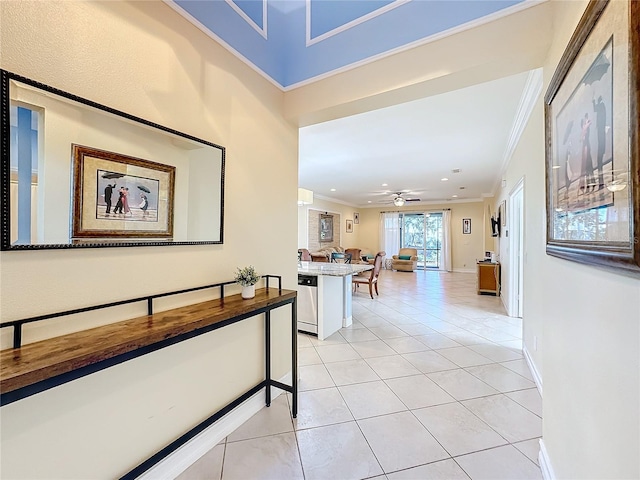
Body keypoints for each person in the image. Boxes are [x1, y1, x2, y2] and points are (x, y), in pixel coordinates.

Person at [592, 95, 607, 191]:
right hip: (600, 135)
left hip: (601, 135)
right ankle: (600, 183)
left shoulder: (601, 106)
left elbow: (595, 109)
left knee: (599, 159)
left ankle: (601, 183)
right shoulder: (602, 106)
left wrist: (593, 101)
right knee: (599, 160)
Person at [578, 113, 594, 195]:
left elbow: (589, 123)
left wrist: (586, 121)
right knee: (587, 168)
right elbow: (580, 139)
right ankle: (588, 186)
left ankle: (590, 185)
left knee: (588, 167)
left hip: (587, 148)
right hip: (585, 149)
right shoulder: (584, 130)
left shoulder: (586, 129)